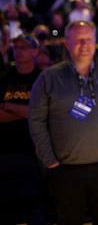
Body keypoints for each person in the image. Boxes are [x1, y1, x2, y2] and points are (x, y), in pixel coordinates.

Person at [29, 20, 98, 225]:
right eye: (78, 40)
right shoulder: (48, 78)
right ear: (67, 44)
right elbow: (36, 120)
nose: (84, 44)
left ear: (96, 42)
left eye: (88, 39)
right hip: (64, 169)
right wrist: (48, 159)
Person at [0, 34, 44, 224]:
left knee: (35, 205)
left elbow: (47, 113)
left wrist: (9, 106)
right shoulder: (4, 77)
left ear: (35, 51)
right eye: (16, 48)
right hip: (5, 149)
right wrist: (29, 111)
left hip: (35, 152)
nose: (19, 52)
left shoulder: (43, 78)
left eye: (24, 47)